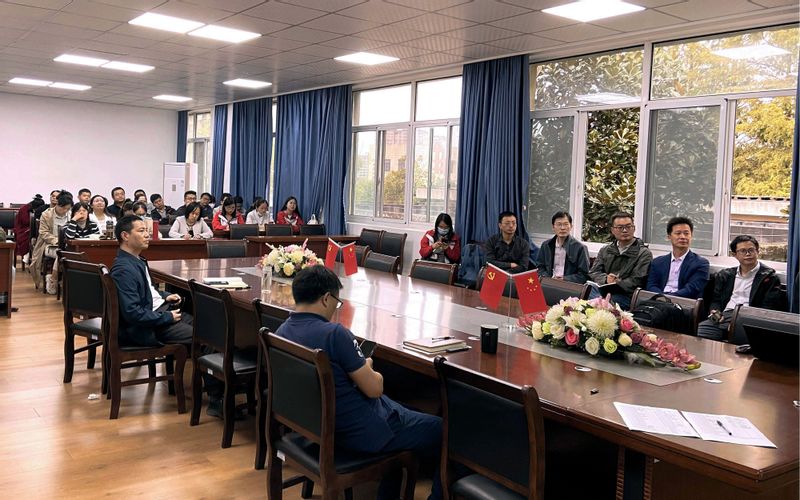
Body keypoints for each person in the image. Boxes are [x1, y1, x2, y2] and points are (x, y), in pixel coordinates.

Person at [275, 266, 442, 500]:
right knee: (444, 429)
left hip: (320, 427)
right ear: (326, 298)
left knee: (409, 410)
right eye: (337, 302)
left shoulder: (282, 330)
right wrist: (369, 367)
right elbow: (375, 389)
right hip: (358, 432)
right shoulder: (335, 334)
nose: (335, 308)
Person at [110, 216, 224, 415]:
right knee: (207, 338)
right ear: (125, 236)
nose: (148, 234)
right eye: (141, 231)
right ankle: (217, 399)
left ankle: (223, 385)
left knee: (213, 328)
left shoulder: (137, 260)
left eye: (146, 230)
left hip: (159, 313)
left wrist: (164, 296)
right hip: (148, 326)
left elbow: (148, 291)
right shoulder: (123, 269)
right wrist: (167, 318)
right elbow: (132, 313)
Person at [697, 235, 787, 344]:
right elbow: (716, 300)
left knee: (742, 342)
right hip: (724, 317)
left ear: (757, 252)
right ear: (735, 255)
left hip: (749, 319)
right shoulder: (726, 275)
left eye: (751, 250)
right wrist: (715, 312)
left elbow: (768, 308)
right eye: (743, 251)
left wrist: (738, 322)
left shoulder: (769, 277)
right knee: (698, 334)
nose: (748, 254)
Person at [588, 212, 652, 310]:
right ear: (612, 230)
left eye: (628, 227)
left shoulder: (644, 253)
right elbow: (594, 272)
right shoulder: (605, 250)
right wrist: (606, 279)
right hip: (603, 290)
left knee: (601, 303)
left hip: (626, 296)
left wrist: (618, 283)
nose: (625, 230)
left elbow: (638, 280)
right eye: (620, 227)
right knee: (587, 292)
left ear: (634, 228)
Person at [646, 217, 709, 299]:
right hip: (658, 301)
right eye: (678, 233)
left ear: (691, 236)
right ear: (669, 236)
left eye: (686, 233)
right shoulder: (657, 262)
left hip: (683, 303)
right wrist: (661, 298)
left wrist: (668, 299)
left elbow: (692, 289)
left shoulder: (701, 263)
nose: (683, 237)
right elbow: (651, 286)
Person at [31, 190, 73, 293]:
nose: (65, 211)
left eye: (68, 208)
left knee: (72, 253)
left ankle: (69, 281)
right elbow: (43, 233)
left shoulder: (71, 215)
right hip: (49, 245)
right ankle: (53, 280)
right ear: (57, 204)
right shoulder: (47, 214)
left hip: (68, 244)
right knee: (61, 253)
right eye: (63, 208)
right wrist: (57, 241)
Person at [535, 211, 590, 283]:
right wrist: (548, 278)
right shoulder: (546, 245)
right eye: (559, 224)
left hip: (569, 285)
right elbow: (540, 267)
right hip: (548, 283)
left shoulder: (580, 248)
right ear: (553, 227)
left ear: (571, 226)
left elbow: (584, 275)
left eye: (566, 224)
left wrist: (564, 279)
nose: (562, 228)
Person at [15, 194, 44, 264]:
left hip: (36, 229)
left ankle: (38, 259)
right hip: (23, 229)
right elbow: (24, 222)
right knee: (30, 237)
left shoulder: (43, 209)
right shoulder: (24, 209)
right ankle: (28, 254)